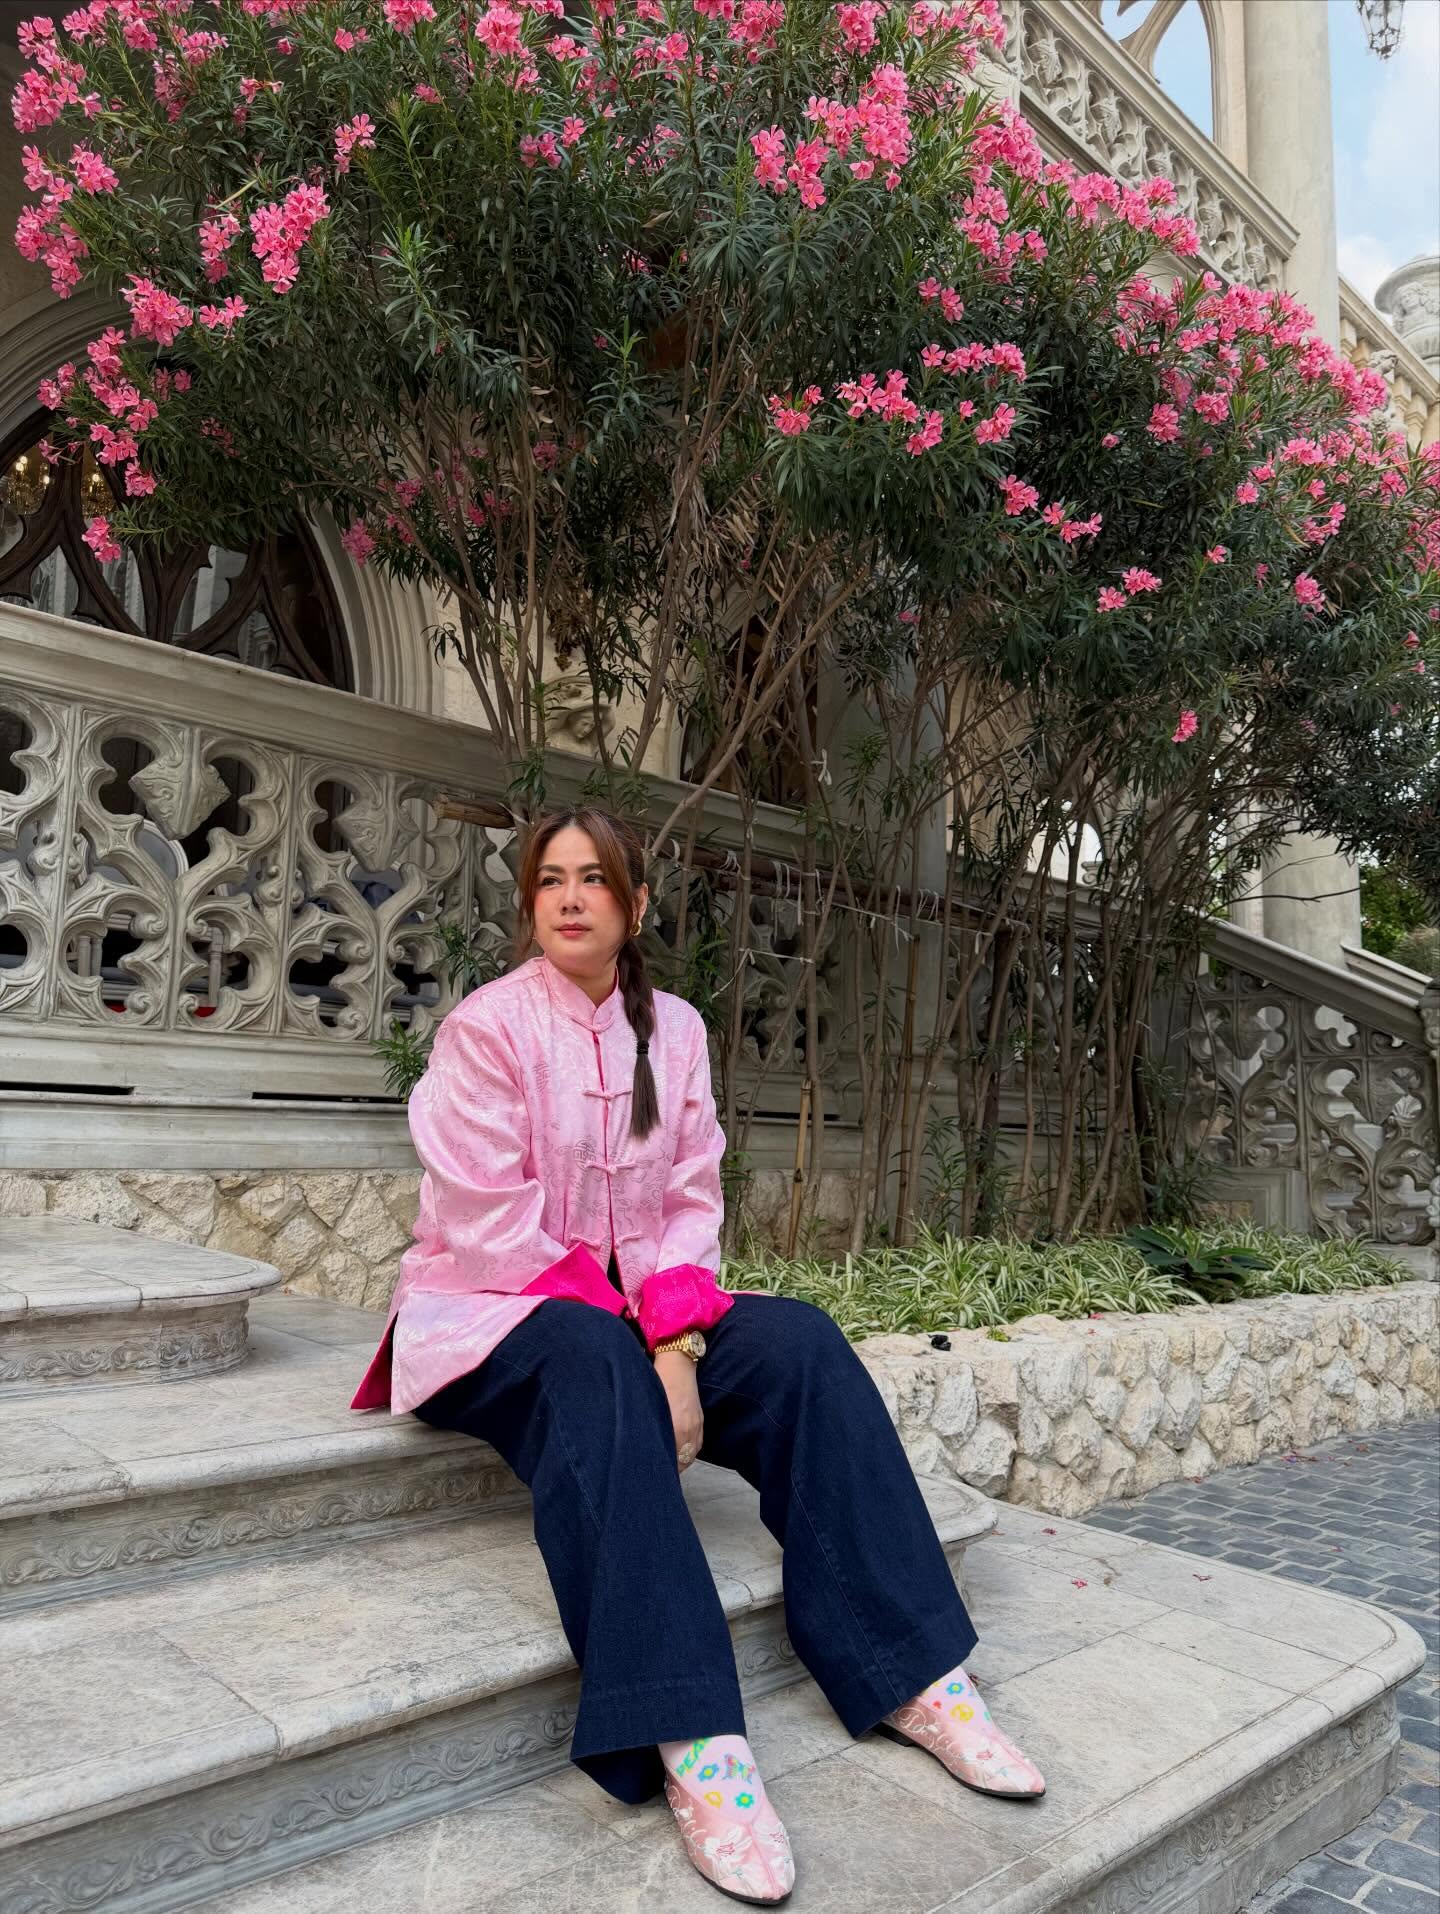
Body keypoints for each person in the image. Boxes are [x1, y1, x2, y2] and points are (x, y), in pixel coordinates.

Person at [352, 806, 1045, 1904]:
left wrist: (673, 1349)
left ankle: (911, 1670)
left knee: (800, 1343)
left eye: (593, 878)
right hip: (495, 1314)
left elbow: (688, 1202)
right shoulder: (485, 1030)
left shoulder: (672, 1031)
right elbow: (492, 1225)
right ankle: (694, 1737)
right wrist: (641, 1348)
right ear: (529, 902)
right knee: (592, 1355)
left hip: (640, 1319)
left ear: (634, 904)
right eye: (549, 880)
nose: (569, 898)